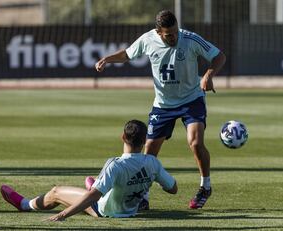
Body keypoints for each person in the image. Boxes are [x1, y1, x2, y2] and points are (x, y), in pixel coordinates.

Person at [95, 10, 226, 209]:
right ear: (158, 32)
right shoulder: (147, 39)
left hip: (192, 99)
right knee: (148, 154)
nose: (174, 37)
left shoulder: (190, 39)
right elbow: (127, 54)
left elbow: (219, 56)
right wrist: (107, 59)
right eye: (168, 34)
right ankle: (143, 197)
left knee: (196, 142)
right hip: (163, 105)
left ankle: (205, 187)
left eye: (175, 32)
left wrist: (208, 74)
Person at [0, 119, 177, 220]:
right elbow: (173, 188)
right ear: (145, 140)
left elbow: (93, 197)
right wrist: (149, 179)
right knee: (102, 187)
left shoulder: (115, 164)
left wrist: (63, 214)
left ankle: (24, 205)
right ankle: (97, 184)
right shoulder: (153, 163)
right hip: (129, 209)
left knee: (56, 192)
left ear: (123, 137)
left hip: (104, 210)